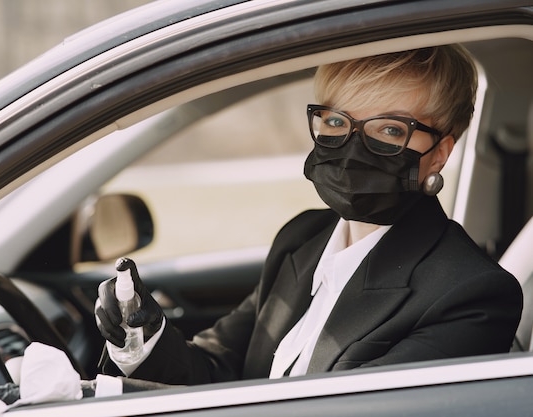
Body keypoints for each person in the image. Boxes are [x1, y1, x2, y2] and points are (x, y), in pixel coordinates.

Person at [94, 45, 523, 386]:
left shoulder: (471, 294)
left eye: (390, 129)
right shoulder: (302, 238)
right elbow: (221, 371)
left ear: (439, 154)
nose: (353, 147)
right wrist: (142, 338)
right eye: (337, 121)